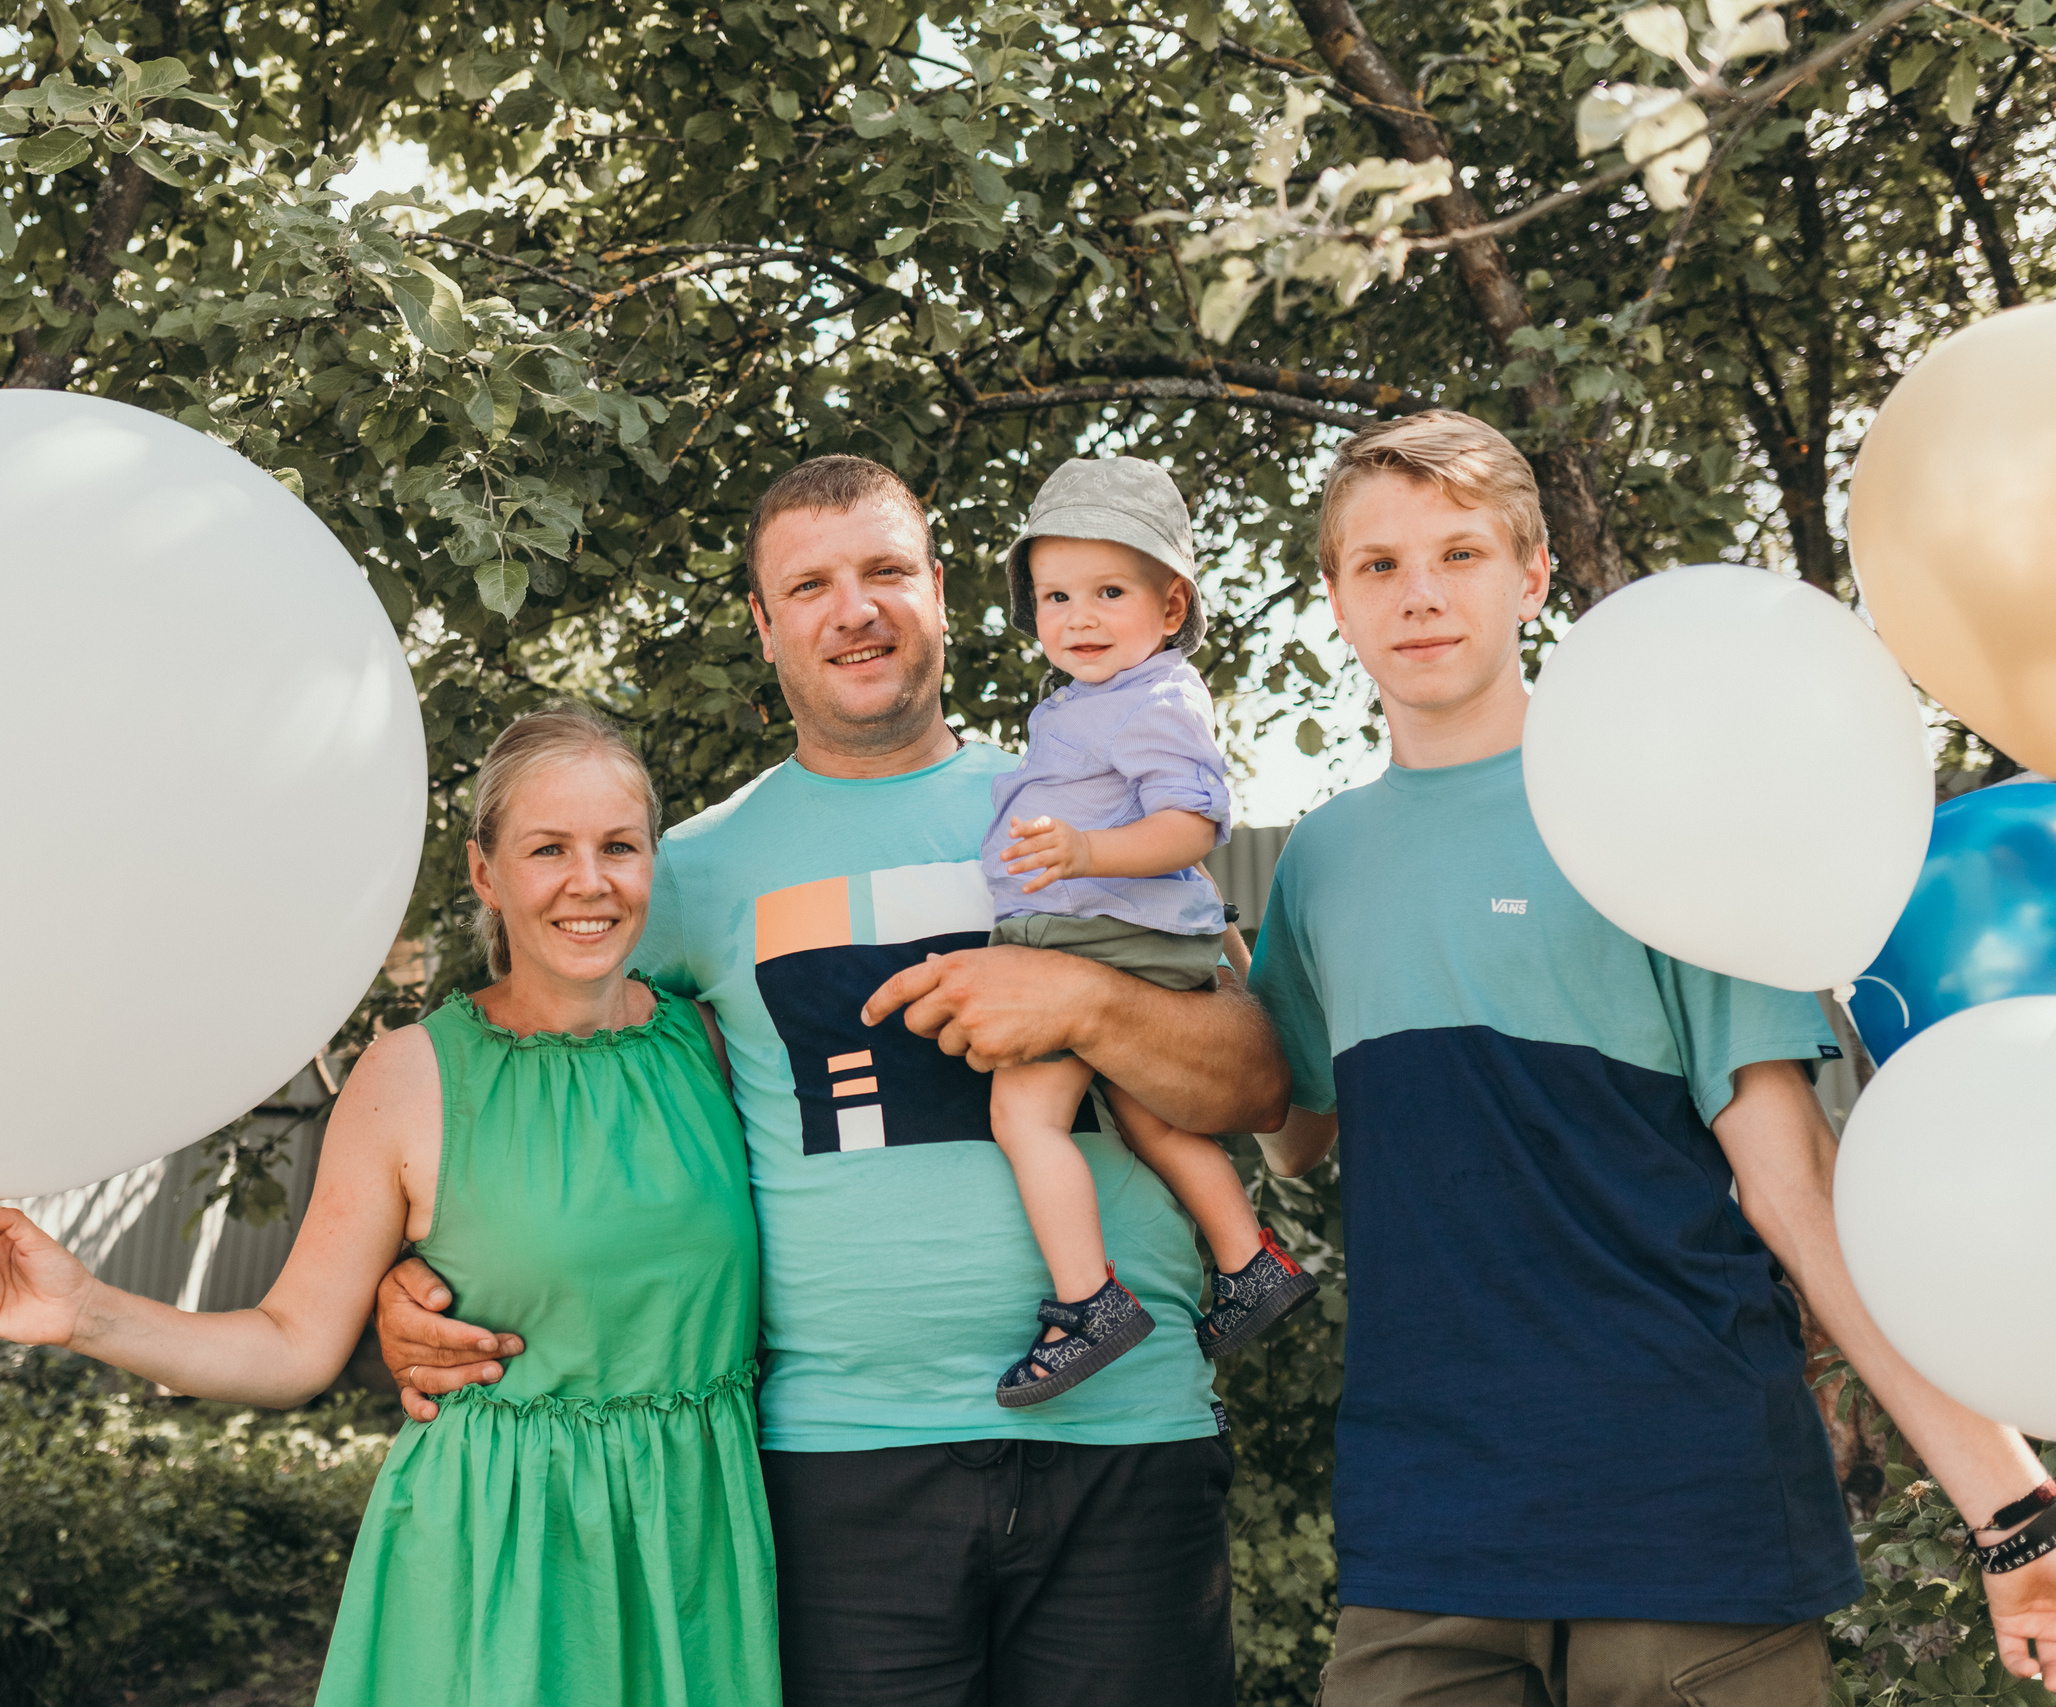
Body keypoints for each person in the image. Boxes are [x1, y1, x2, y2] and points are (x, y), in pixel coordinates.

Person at [377, 455, 1293, 1706]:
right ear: (762, 625)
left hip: (1129, 1437)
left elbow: (1256, 1082)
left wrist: (1081, 999)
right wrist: (421, 1278)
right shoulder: (685, 876)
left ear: (941, 596)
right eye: (807, 584)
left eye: (883, 572)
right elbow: (546, 1090)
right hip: (840, 1464)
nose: (850, 609)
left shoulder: (1083, 809)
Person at [1238, 409, 2056, 1702]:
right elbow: (1289, 1129)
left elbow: (1796, 1191)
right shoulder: (1320, 868)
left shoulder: (1656, 806)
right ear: (1334, 594)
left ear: (1532, 573)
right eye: (1379, 563)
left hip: (1689, 1517)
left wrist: (2011, 1505)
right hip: (1427, 1536)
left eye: (1459, 552)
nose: (1421, 594)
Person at [0, 704, 776, 1707]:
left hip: (695, 1549)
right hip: (495, 1569)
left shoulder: (715, 1046)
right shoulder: (412, 1076)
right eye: (547, 848)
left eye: (618, 847)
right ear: (485, 872)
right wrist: (86, 1311)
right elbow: (293, 1344)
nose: (588, 883)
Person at [981, 456, 1317, 1407]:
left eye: (1108, 591)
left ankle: (1090, 1302)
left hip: (1096, 935)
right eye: (1055, 595)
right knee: (1149, 1109)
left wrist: (1087, 851)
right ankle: (1248, 1260)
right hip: (1117, 931)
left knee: (1025, 1114)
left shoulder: (1154, 698)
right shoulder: (1095, 701)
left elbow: (1192, 825)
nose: (1078, 617)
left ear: (1171, 608)